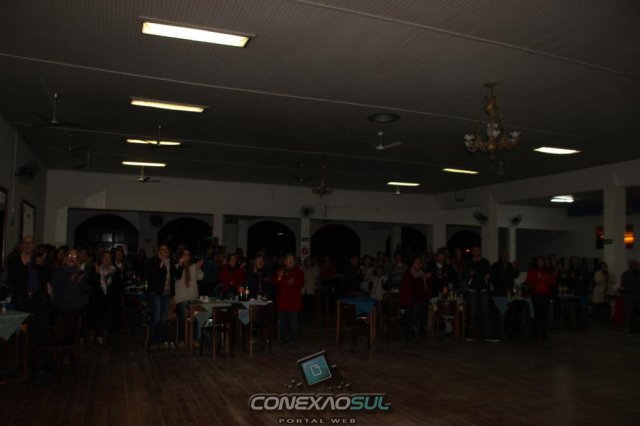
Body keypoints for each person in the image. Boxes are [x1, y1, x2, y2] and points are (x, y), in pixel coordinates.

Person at [145, 245, 184, 351]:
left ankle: (161, 341)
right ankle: (153, 341)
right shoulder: (152, 261)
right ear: (158, 252)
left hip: (167, 294)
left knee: (163, 319)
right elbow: (153, 276)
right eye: (163, 249)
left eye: (167, 249)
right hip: (155, 293)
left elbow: (178, 276)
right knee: (156, 318)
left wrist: (180, 264)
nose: (166, 251)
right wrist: (161, 263)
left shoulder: (171, 262)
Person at [174, 250, 203, 347]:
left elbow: (201, 277)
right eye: (184, 254)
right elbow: (177, 276)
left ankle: (194, 339)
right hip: (181, 298)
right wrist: (180, 263)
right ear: (181, 256)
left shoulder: (194, 267)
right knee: (182, 319)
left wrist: (198, 268)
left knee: (195, 319)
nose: (186, 256)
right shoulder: (177, 266)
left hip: (192, 297)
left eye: (188, 254)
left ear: (190, 256)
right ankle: (181, 340)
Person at [462, 246, 492, 342]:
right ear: (472, 253)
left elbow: (491, 273)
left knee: (485, 312)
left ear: (480, 251)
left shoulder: (485, 262)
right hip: (472, 290)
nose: (476, 252)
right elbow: (464, 276)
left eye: (478, 250)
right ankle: (472, 334)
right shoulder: (469, 263)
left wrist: (488, 276)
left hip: (483, 290)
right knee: (472, 313)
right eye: (474, 251)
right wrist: (469, 275)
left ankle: (487, 335)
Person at [87, 251, 117, 345]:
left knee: (107, 320)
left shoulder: (115, 270)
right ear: (101, 258)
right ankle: (91, 342)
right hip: (97, 299)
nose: (106, 259)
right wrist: (97, 273)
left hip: (109, 300)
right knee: (94, 319)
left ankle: (105, 341)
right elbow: (91, 283)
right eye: (104, 257)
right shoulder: (96, 268)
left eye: (109, 257)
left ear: (111, 259)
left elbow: (118, 287)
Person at [273, 254, 304, 344]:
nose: (290, 262)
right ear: (285, 261)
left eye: (292, 260)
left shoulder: (298, 271)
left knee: (293, 322)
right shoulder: (280, 271)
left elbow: (301, 283)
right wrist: (279, 277)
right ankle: (284, 338)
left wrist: (293, 282)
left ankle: (293, 339)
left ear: (294, 262)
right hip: (282, 302)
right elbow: (274, 282)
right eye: (288, 260)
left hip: (294, 302)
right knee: (282, 322)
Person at [399, 256, 431, 339]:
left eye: (420, 262)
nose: (419, 264)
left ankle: (422, 332)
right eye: (417, 262)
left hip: (422, 298)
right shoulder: (408, 273)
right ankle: (411, 333)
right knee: (413, 317)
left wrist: (427, 279)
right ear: (413, 264)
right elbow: (406, 287)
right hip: (413, 299)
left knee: (423, 317)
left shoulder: (422, 273)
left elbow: (425, 287)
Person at [527, 257, 557, 341]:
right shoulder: (532, 271)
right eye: (539, 261)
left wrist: (549, 279)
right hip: (536, 295)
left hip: (545, 296)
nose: (541, 263)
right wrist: (537, 278)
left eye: (542, 262)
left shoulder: (547, 272)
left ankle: (544, 334)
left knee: (545, 316)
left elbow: (554, 283)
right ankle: (535, 334)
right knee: (536, 315)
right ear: (536, 263)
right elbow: (529, 282)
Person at [620, 260, 640, 333]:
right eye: (635, 265)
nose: (637, 266)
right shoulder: (626, 274)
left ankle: (634, 327)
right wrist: (624, 295)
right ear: (630, 266)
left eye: (637, 265)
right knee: (628, 312)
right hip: (629, 296)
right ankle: (627, 327)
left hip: (638, 295)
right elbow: (623, 285)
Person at [301, 256, 319, 321]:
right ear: (305, 261)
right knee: (303, 303)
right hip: (303, 289)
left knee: (310, 303)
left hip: (310, 288)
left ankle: (309, 317)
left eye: (309, 261)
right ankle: (303, 317)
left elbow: (316, 276)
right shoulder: (302, 267)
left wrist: (313, 268)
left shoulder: (314, 268)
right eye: (307, 261)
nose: (308, 262)